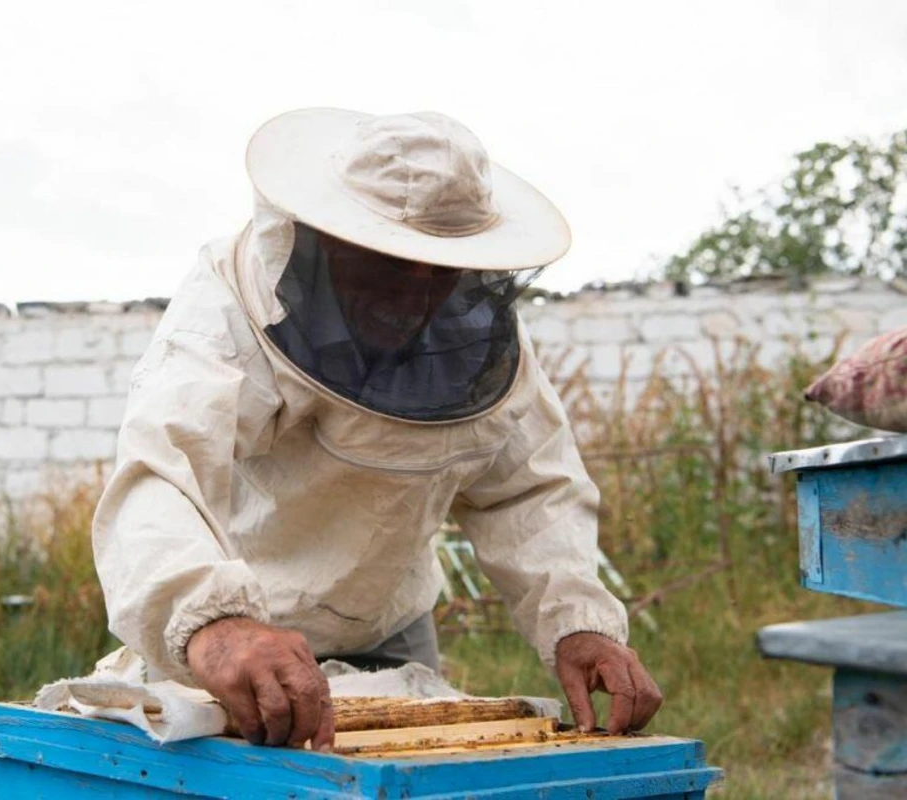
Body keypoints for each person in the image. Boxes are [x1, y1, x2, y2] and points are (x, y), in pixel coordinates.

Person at [93, 108, 663, 752]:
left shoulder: (475, 334)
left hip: (388, 619)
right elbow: (161, 472)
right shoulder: (227, 308)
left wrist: (577, 623)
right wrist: (213, 625)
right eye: (394, 264)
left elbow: (529, 487)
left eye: (441, 269)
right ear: (331, 240)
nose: (418, 295)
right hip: (227, 630)